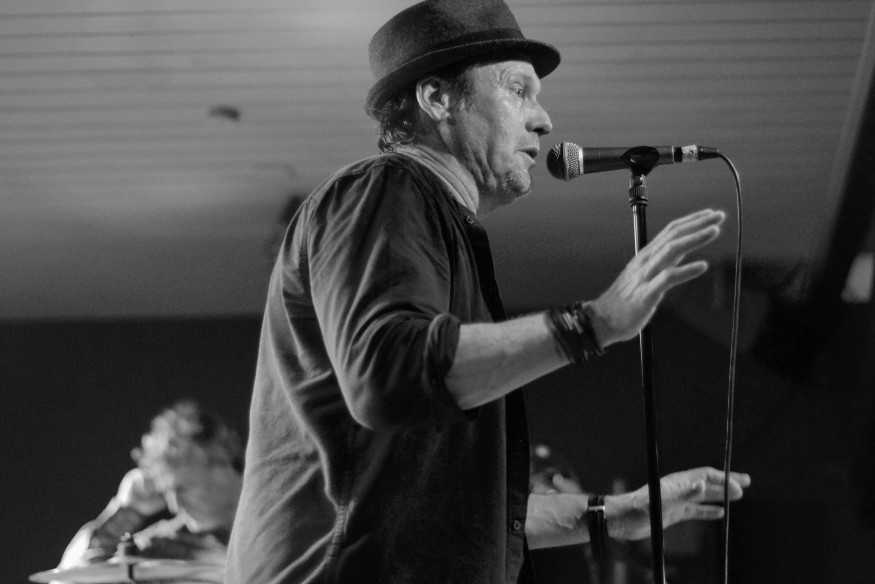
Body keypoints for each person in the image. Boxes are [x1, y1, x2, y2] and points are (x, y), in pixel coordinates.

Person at [225, 1, 750, 583]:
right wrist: (591, 324)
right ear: (437, 98)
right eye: (518, 90)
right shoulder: (388, 187)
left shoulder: (431, 223)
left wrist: (616, 515)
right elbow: (387, 375)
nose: (544, 119)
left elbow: (453, 516)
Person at [57, 400, 243, 573]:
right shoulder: (166, 547)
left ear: (222, 460)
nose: (175, 506)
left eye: (181, 489)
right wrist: (128, 511)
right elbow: (67, 580)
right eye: (166, 493)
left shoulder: (261, 517)